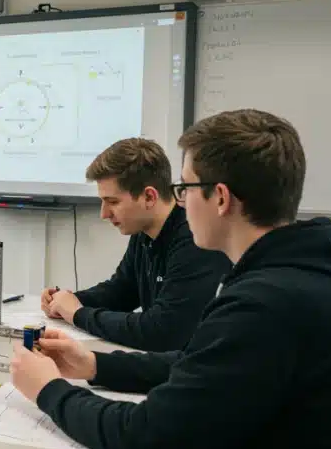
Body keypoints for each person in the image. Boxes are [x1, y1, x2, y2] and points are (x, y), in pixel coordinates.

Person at [10, 109, 331, 449]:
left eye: (186, 188)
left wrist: (47, 390)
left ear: (220, 198)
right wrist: (92, 364)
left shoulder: (269, 304)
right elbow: (195, 364)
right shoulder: (298, 275)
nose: (181, 201)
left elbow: (145, 441)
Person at [39, 138, 231, 350]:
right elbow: (122, 291)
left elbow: (161, 331)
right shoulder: (144, 232)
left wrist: (77, 313)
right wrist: (67, 299)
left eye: (113, 202)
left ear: (149, 197)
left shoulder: (194, 241)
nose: (104, 213)